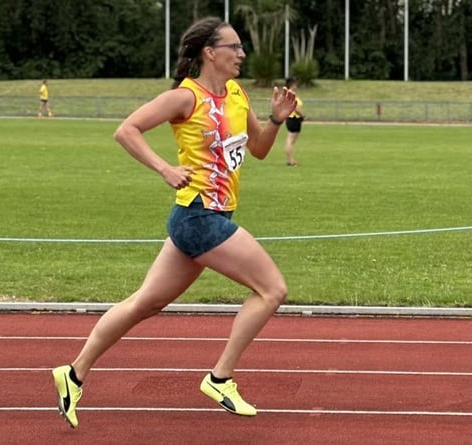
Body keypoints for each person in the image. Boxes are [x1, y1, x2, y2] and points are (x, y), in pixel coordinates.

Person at [51, 16, 297, 428]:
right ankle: (220, 378)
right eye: (234, 47)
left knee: (145, 303)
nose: (242, 54)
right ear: (209, 53)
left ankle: (73, 373)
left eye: (241, 47)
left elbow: (257, 150)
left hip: (198, 218)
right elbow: (126, 131)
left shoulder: (235, 93)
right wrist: (165, 169)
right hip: (200, 216)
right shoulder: (186, 98)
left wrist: (274, 120)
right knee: (272, 289)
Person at [283, 77, 305, 166]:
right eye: (295, 84)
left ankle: (290, 159)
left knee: (290, 140)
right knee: (290, 141)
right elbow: (295, 107)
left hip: (291, 118)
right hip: (294, 118)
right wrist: (303, 115)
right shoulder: (291, 94)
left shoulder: (288, 94)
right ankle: (291, 161)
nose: (297, 86)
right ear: (292, 85)